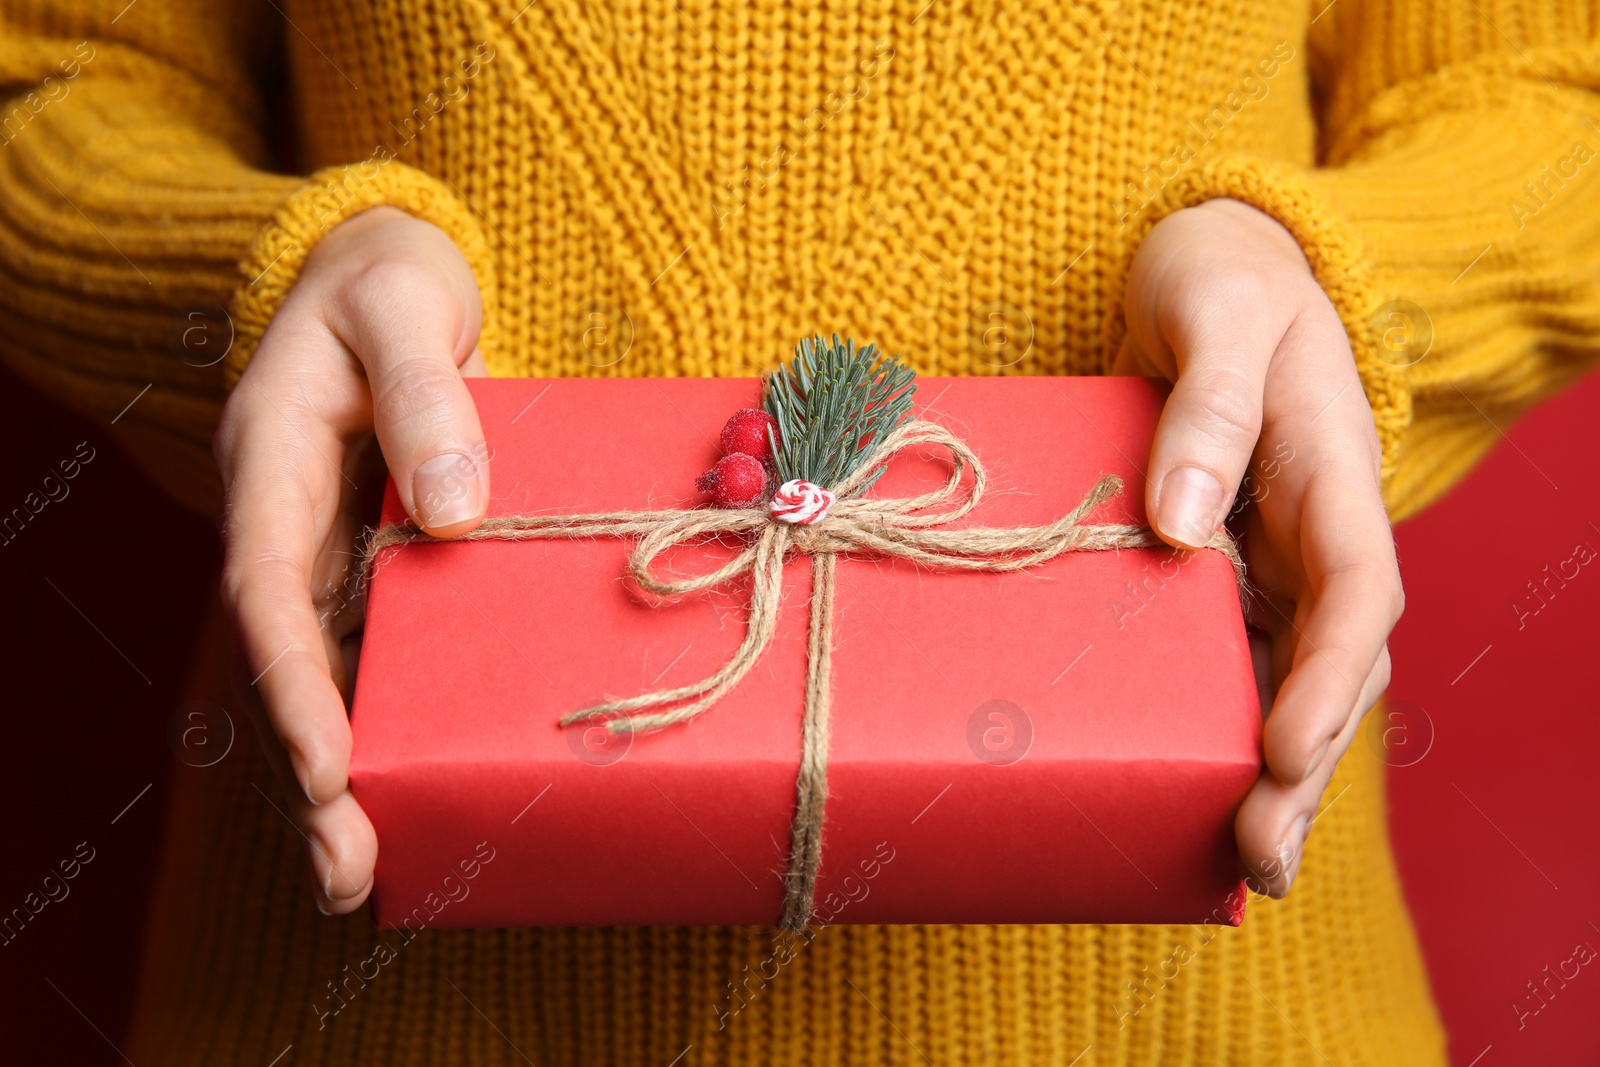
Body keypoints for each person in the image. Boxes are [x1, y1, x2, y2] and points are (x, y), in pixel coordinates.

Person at [1, 0, 1594, 1062]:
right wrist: (253, 286)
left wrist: (1340, 282)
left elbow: (1552, 96)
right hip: (355, 1001)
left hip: (1197, 1013)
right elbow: (53, 75)